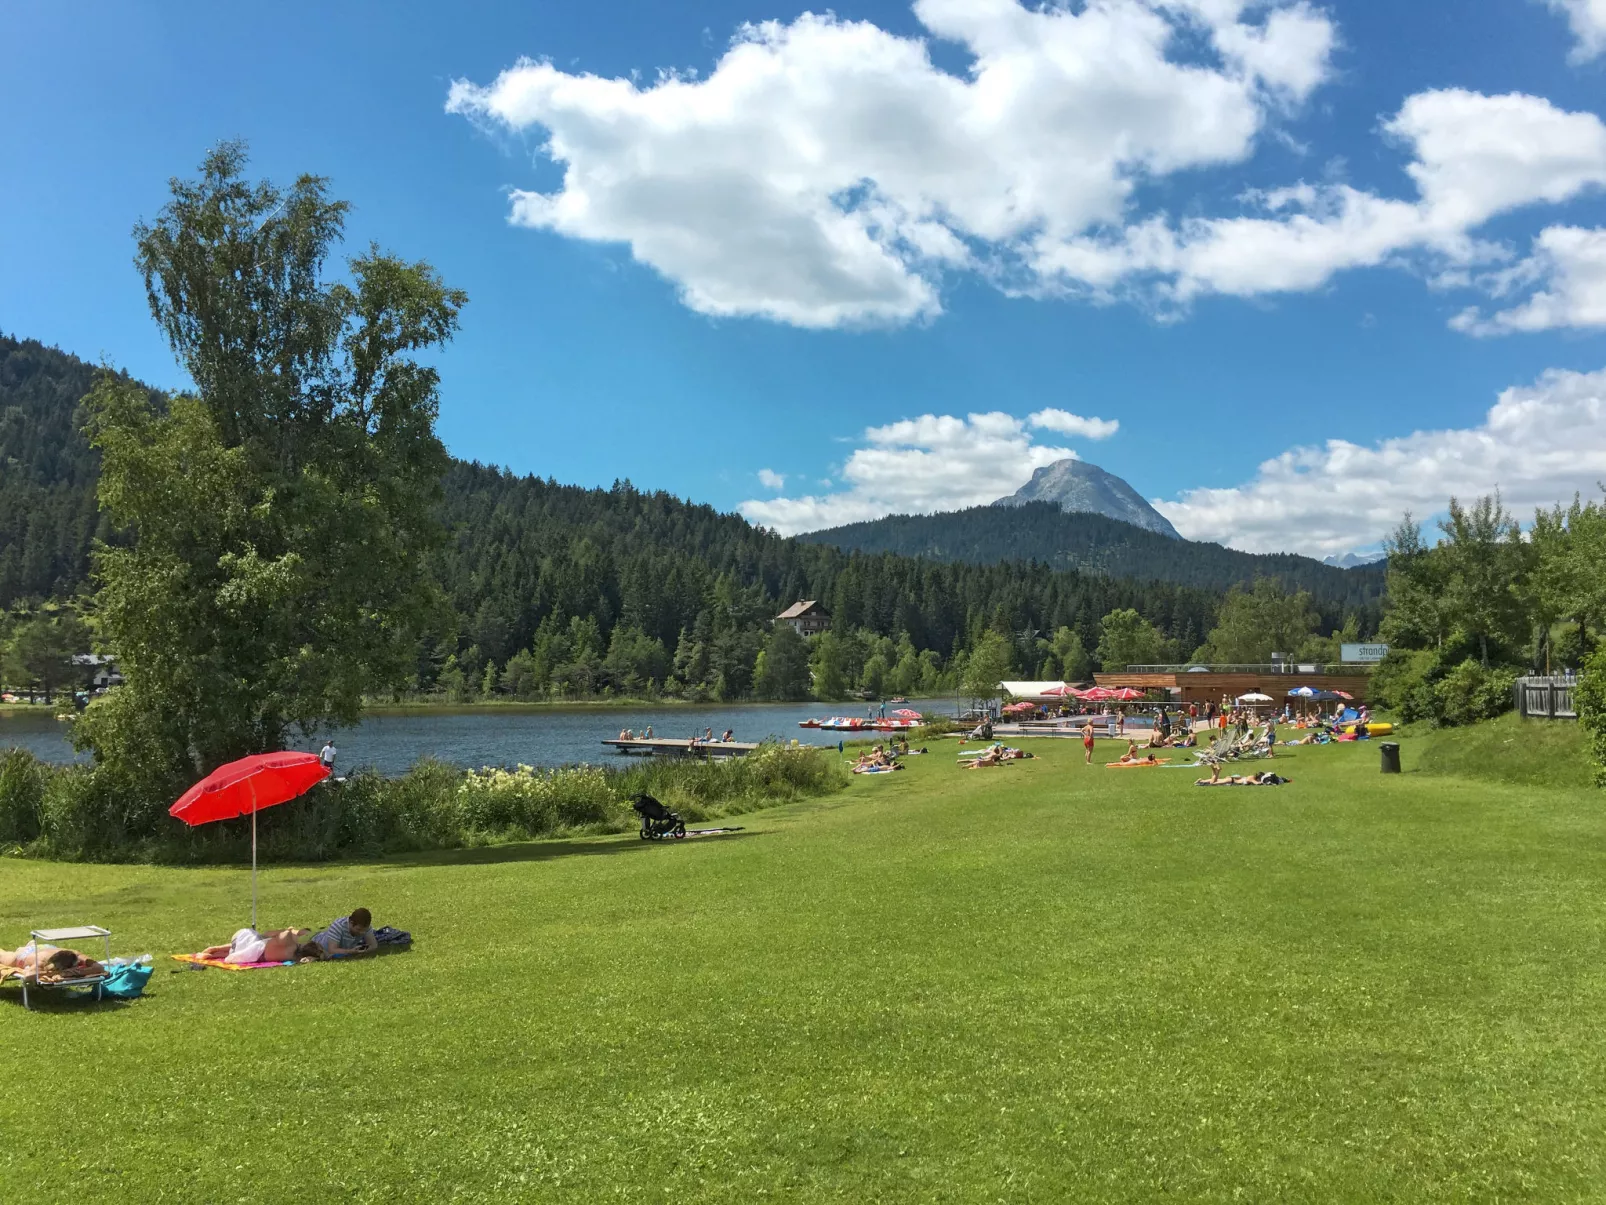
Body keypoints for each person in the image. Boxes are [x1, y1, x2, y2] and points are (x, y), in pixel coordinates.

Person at [197, 927, 313, 965]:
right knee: (244, 947)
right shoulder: (294, 956)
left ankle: (214, 950)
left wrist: (290, 930)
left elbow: (268, 933)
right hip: (258, 955)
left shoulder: (287, 941)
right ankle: (213, 954)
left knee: (251, 940)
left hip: (246, 941)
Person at [1, 942, 105, 978]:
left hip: (43, 947)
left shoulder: (75, 953)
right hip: (24, 955)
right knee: (4, 957)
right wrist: (59, 973)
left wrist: (78, 971)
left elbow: (99, 967)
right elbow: (29, 975)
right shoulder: (42, 960)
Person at [313, 908, 378, 957]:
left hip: (330, 936)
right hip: (316, 942)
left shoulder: (365, 926)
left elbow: (373, 945)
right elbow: (332, 950)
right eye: (359, 929)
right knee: (306, 934)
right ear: (351, 923)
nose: (362, 933)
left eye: (364, 930)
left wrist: (363, 951)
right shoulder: (338, 926)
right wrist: (350, 951)